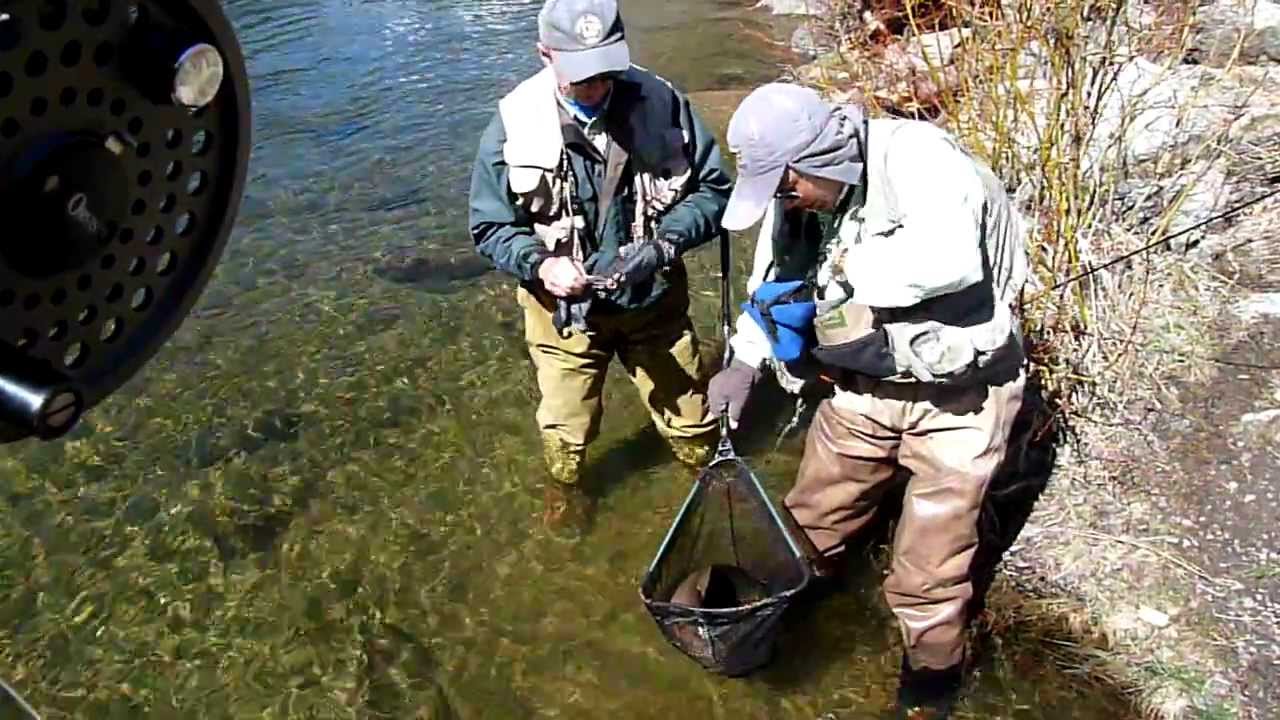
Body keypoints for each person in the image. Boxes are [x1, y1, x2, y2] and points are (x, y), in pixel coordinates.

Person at [708, 82, 1029, 719]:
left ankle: (930, 686)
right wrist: (746, 359)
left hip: (960, 400)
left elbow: (948, 261)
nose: (783, 200)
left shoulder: (920, 159)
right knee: (808, 519)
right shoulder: (798, 195)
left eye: (786, 186)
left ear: (815, 163)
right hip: (862, 387)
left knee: (929, 570)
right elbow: (772, 282)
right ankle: (788, 612)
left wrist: (839, 277)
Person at [468, 0, 731, 538]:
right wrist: (540, 265)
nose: (596, 85)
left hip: (653, 303)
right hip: (561, 312)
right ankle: (566, 491)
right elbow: (491, 228)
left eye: (606, 68)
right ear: (544, 55)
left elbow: (713, 190)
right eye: (581, 74)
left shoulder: (661, 101)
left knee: (693, 418)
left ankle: (703, 481)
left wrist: (663, 245)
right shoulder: (514, 123)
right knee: (567, 427)